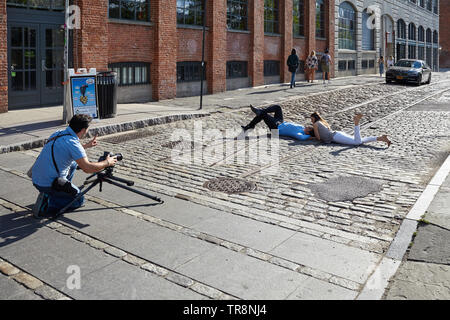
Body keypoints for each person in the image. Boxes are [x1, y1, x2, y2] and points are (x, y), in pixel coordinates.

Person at [31, 114, 118, 218]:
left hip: (36, 178)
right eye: (87, 129)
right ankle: (47, 204)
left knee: (73, 163)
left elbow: (67, 150)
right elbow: (88, 168)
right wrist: (107, 162)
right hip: (47, 183)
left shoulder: (58, 133)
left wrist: (86, 146)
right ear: (83, 130)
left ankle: (57, 192)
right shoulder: (73, 144)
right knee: (79, 200)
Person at [310, 112, 391, 147]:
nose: (311, 120)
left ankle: (356, 123)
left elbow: (318, 138)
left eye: (311, 119)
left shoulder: (315, 124)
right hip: (337, 134)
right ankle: (381, 138)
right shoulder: (322, 122)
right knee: (360, 140)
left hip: (335, 137)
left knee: (357, 142)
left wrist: (311, 137)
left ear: (314, 118)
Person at [241, 105, 314, 141]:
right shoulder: (302, 127)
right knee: (278, 108)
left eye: (308, 128)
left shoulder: (300, 134)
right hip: (280, 122)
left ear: (308, 132)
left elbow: (301, 138)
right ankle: (261, 112)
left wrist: (311, 137)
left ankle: (251, 125)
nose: (306, 126)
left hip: (276, 129)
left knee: (263, 115)